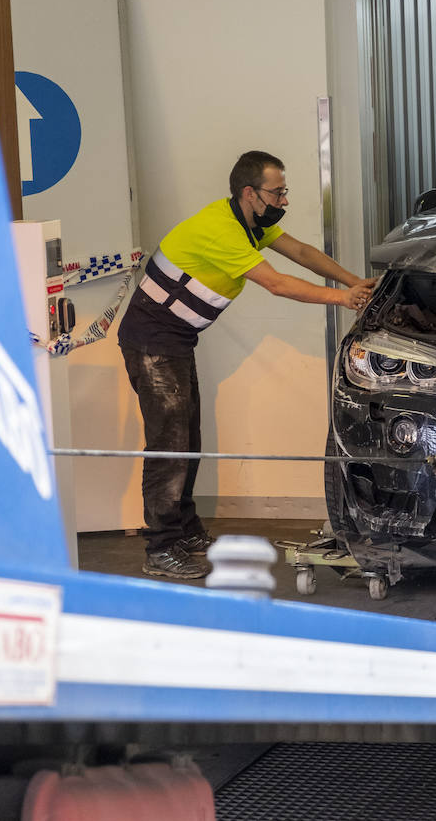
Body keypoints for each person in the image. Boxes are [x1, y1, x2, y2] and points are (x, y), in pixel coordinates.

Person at [118, 150, 376, 579]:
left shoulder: (248, 222)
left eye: (285, 192)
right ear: (249, 193)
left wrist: (355, 282)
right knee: (171, 446)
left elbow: (302, 252)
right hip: (152, 343)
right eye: (278, 193)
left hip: (174, 341)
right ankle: (161, 548)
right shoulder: (223, 230)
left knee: (188, 439)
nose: (284, 202)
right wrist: (343, 298)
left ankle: (184, 531)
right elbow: (275, 283)